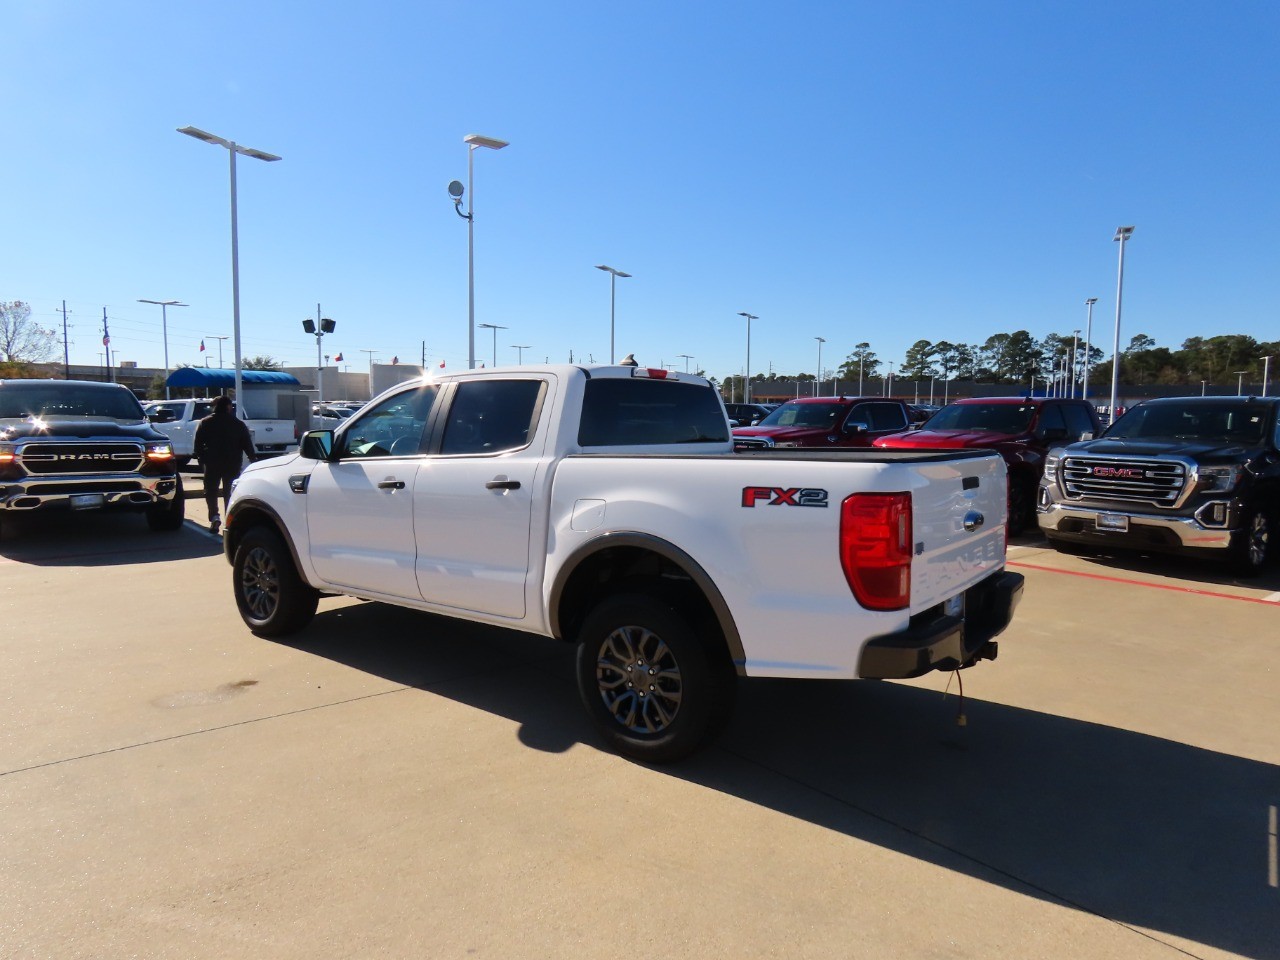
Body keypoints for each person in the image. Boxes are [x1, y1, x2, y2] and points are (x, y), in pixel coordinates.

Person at [193, 396, 256, 534]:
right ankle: (230, 520)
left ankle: (214, 516)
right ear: (228, 407)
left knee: (211, 491)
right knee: (230, 493)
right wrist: (253, 460)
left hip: (212, 462)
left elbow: (198, 445)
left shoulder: (205, 422)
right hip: (232, 463)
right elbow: (247, 445)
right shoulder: (238, 424)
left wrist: (201, 459)